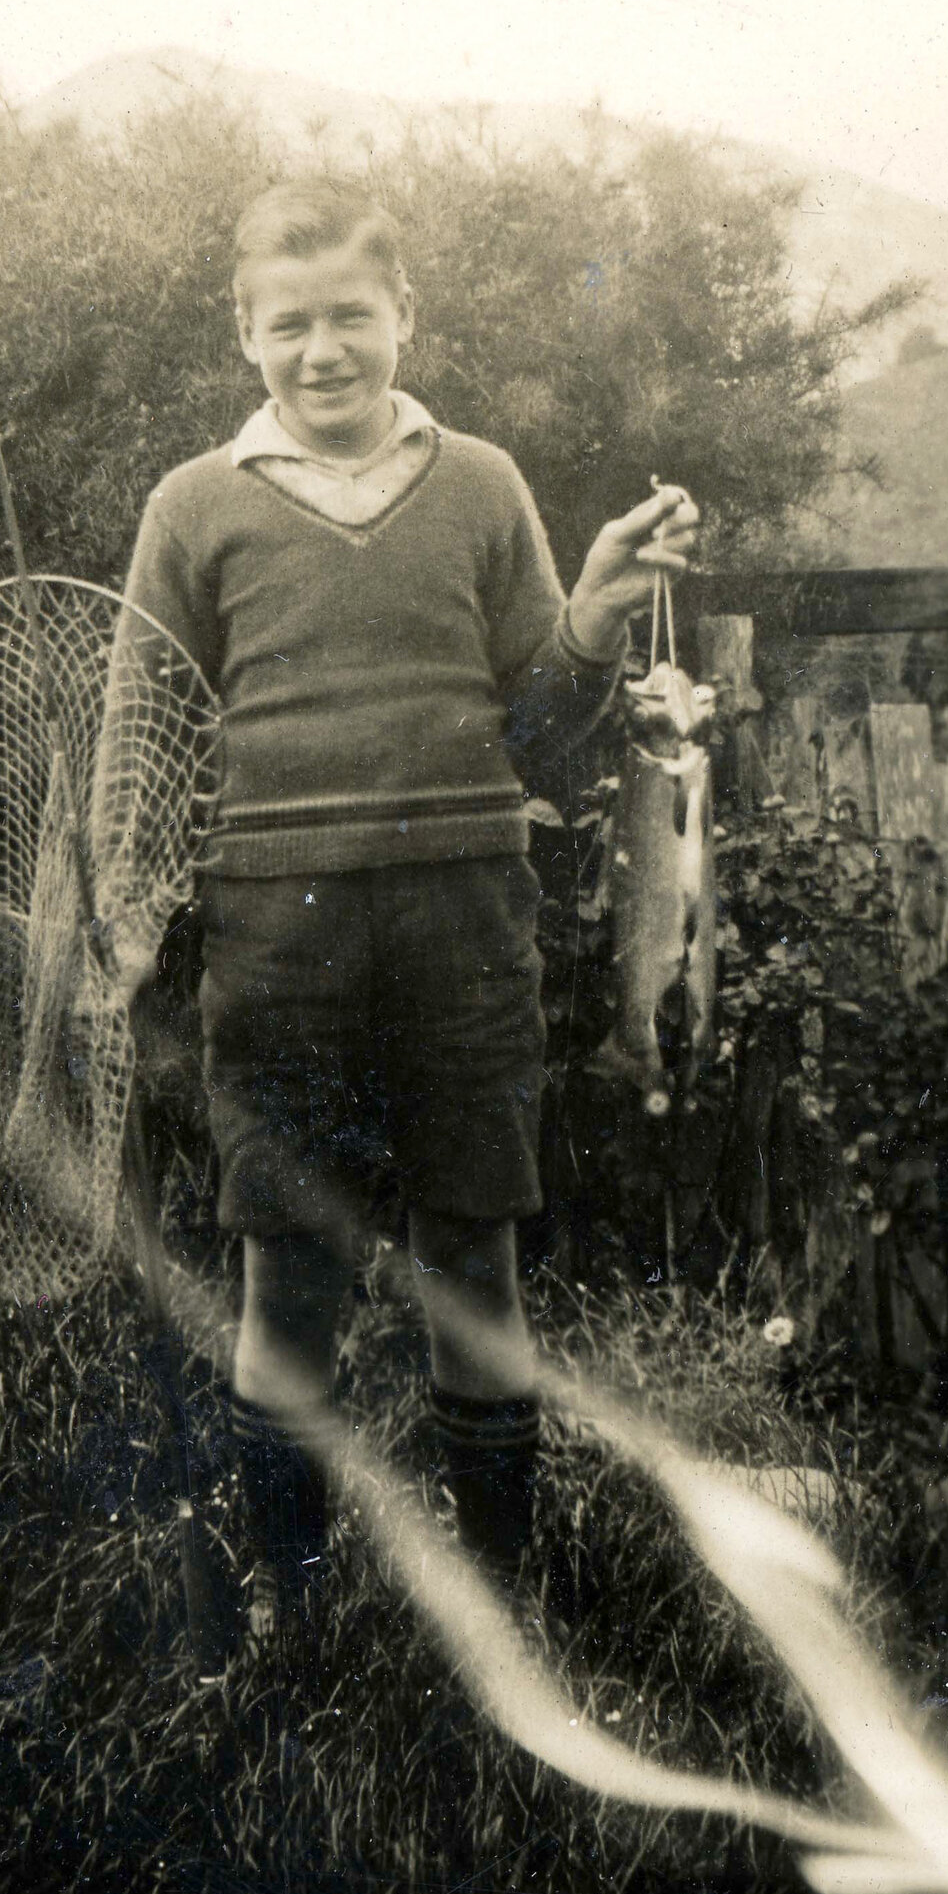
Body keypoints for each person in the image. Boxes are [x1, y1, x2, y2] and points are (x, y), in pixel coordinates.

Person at [113, 177, 698, 1652]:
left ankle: (501, 1601)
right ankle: (289, 1596)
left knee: (476, 1257)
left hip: (464, 919)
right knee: (287, 1266)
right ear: (246, 330)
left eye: (352, 317)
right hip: (277, 935)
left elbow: (547, 719)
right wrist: (120, 904)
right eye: (290, 321)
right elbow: (140, 739)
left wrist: (599, 612)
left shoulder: (485, 484)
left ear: (404, 318)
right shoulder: (192, 507)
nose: (324, 350)